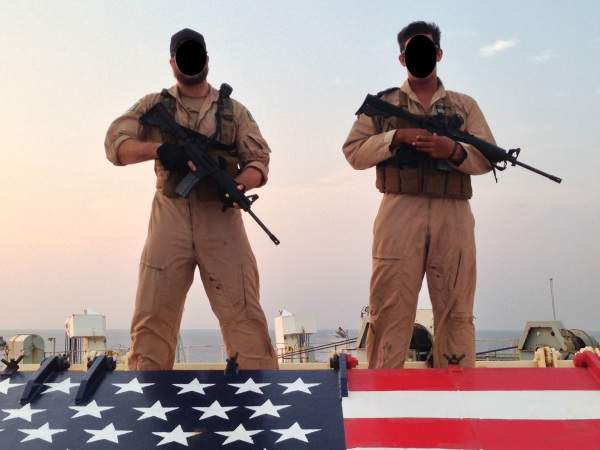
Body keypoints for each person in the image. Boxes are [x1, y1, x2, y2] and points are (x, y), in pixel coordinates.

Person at [104, 28, 278, 370]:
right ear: (172, 63)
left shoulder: (234, 111)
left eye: (196, 54)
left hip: (222, 218)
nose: (190, 60)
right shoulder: (153, 106)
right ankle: (148, 396)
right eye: (182, 55)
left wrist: (239, 184)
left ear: (207, 60)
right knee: (152, 321)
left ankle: (256, 395)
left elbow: (259, 161)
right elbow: (115, 145)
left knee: (245, 318)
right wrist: (160, 150)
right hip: (170, 216)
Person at [342, 21, 495, 368]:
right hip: (399, 210)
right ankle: (385, 392)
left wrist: (452, 150)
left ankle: (456, 390)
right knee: (389, 309)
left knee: (457, 310)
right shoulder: (383, 105)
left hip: (453, 213)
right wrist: (396, 138)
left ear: (438, 54)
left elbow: (488, 157)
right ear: (402, 58)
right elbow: (353, 152)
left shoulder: (464, 106)